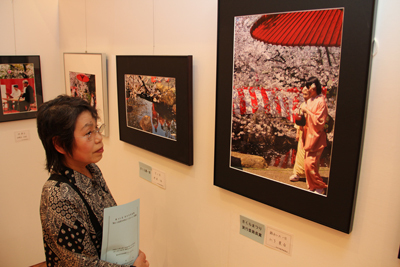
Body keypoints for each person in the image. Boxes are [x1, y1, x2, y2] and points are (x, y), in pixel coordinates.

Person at [37, 95, 149, 267]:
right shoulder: (58, 194)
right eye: (88, 133)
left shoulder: (92, 170)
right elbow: (80, 263)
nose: (98, 138)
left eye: (97, 129)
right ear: (59, 144)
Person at [300, 77, 328, 195]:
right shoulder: (311, 100)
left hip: (316, 137)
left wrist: (307, 112)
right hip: (308, 135)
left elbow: (320, 121)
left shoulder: (321, 101)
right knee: (307, 165)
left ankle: (320, 186)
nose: (306, 89)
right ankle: (313, 186)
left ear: (314, 87)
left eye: (308, 86)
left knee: (310, 164)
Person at [289, 86, 310, 182]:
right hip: (302, 132)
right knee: (300, 153)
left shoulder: (315, 105)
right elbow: (299, 120)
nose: (304, 96)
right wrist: (298, 132)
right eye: (303, 94)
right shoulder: (302, 105)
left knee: (310, 155)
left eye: (306, 94)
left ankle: (310, 175)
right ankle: (297, 173)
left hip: (311, 132)